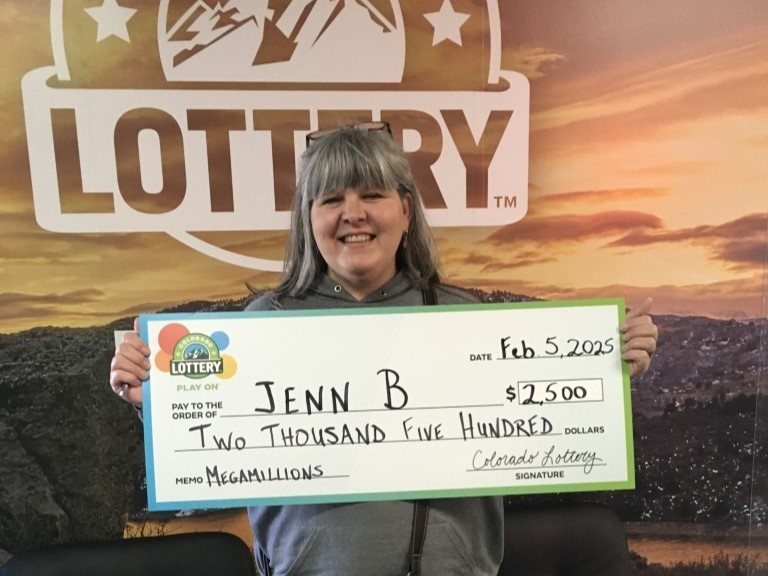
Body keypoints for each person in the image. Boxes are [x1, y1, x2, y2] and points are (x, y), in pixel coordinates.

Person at [110, 122, 658, 576]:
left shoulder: (463, 318)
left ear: (405, 210)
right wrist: (154, 403)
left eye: (372, 194)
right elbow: (219, 444)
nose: (354, 213)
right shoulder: (265, 324)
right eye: (331, 199)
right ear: (309, 219)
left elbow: (547, 415)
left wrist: (608, 363)